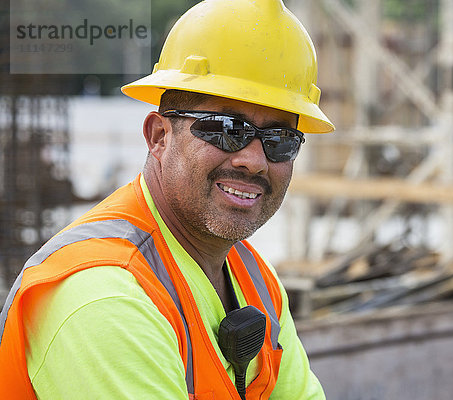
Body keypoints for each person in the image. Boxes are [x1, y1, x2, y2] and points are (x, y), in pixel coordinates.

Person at [0, 0, 334, 398]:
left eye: (280, 140)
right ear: (159, 136)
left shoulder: (256, 280)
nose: (254, 161)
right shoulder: (104, 296)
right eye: (227, 128)